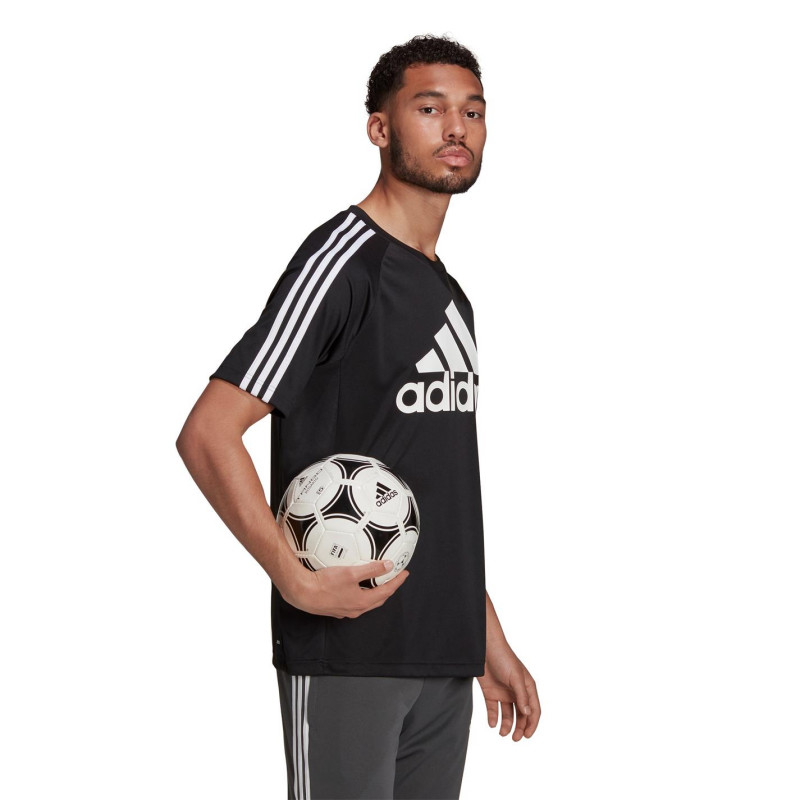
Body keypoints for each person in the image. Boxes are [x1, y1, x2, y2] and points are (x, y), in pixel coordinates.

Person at [176, 34, 541, 800]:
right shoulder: (341, 263)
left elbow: (428, 483)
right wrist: (293, 578)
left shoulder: (449, 293)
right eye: (430, 108)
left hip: (444, 659)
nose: (457, 127)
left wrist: (486, 638)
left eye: (473, 111)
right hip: (349, 652)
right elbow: (208, 431)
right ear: (379, 127)